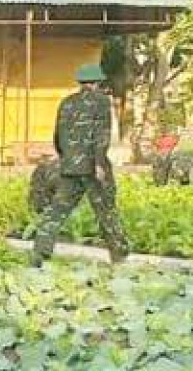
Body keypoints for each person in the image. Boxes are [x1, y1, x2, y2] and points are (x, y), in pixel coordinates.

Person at [30, 63, 129, 266]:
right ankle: (119, 255)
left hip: (69, 166)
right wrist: (100, 164)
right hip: (93, 167)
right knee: (106, 211)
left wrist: (66, 157)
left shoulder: (66, 102)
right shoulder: (101, 102)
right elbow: (102, 135)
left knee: (57, 210)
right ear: (98, 82)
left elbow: (57, 135)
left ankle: (39, 253)